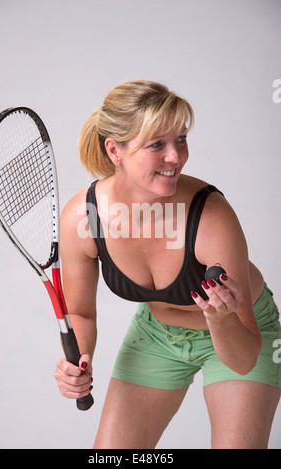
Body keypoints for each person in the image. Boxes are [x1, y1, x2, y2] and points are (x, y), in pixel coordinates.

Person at [54, 80, 281, 449]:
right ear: (115, 150)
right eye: (157, 144)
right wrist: (77, 363)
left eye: (181, 140)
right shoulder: (84, 217)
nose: (176, 156)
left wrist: (221, 320)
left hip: (241, 332)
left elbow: (243, 359)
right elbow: (81, 314)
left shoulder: (210, 216)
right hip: (157, 334)